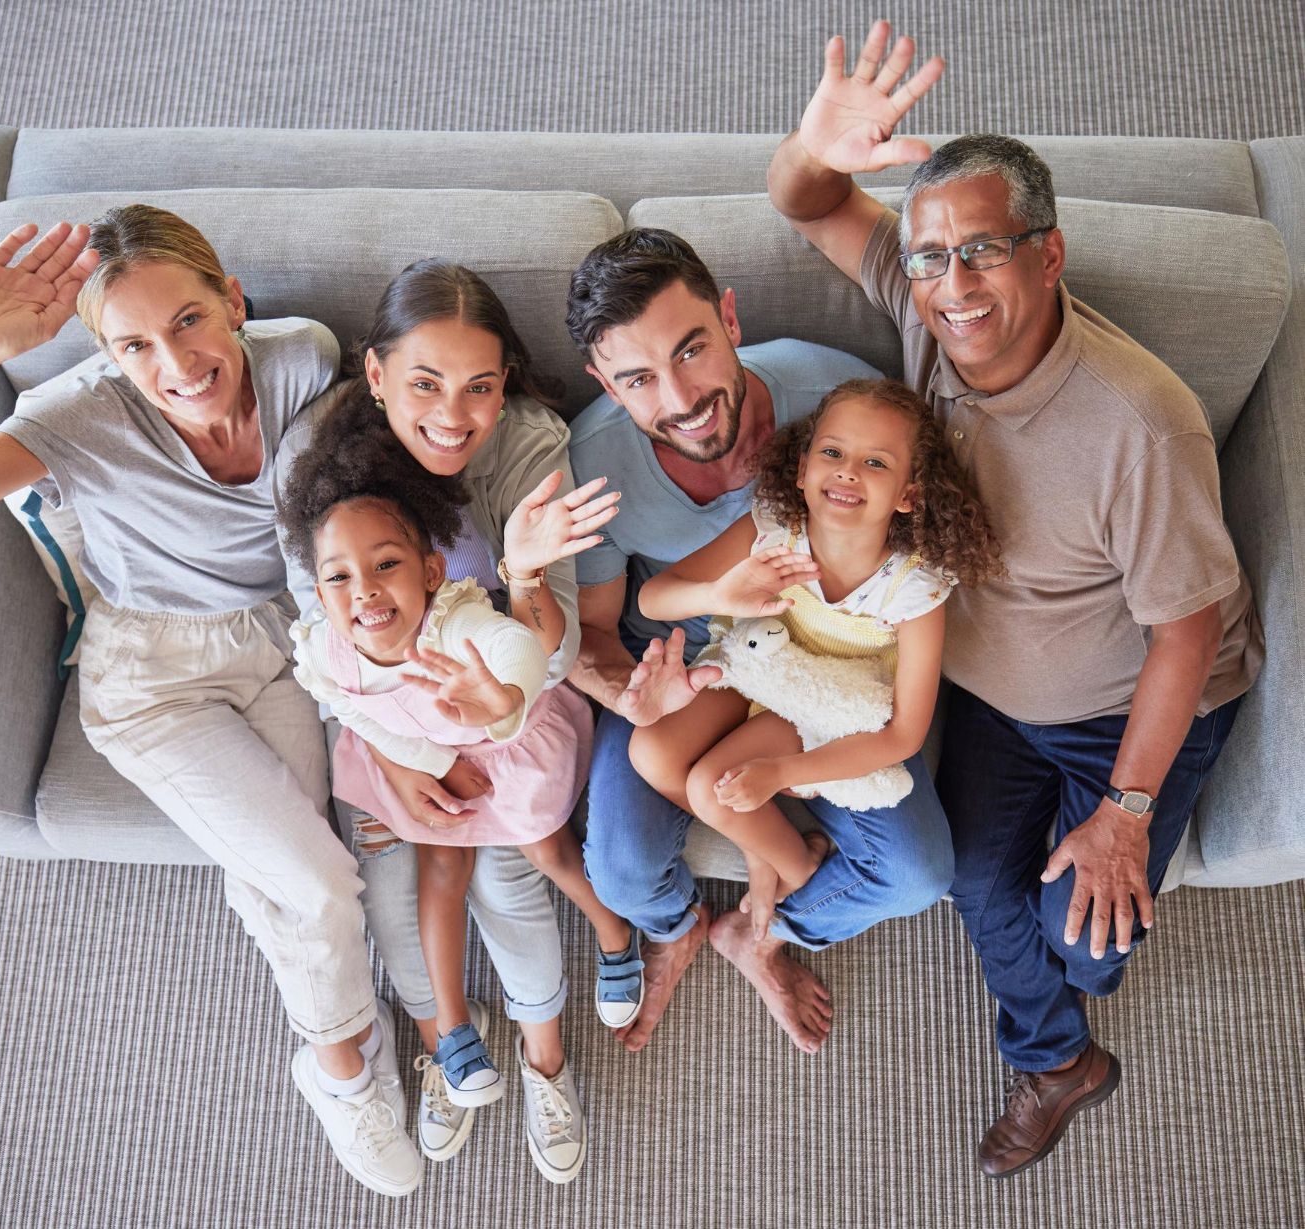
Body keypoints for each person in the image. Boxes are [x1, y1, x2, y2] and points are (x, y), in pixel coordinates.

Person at [0, 207, 427, 1196]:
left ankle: (337, 1023)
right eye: (135, 345)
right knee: (323, 881)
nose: (179, 363)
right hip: (154, 677)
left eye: (192, 320)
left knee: (285, 862)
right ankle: (342, 1071)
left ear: (233, 299)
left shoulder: (301, 360)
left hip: (277, 640)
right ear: (106, 354)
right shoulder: (78, 418)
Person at [766, 21, 1263, 1178]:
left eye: (982, 251)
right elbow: (806, 202)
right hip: (993, 694)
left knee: (1083, 942)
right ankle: (1059, 1063)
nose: (952, 285)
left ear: (1049, 255)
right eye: (932, 256)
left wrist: (1125, 812)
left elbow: (1188, 631)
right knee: (982, 888)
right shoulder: (926, 308)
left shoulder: (1139, 421)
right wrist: (815, 141)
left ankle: (1070, 1012)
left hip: (1132, 699)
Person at [273, 259, 634, 1177]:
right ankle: (445, 1047)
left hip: (507, 696)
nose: (452, 415)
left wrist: (518, 582)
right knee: (390, 883)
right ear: (377, 373)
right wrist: (399, 759)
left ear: (505, 383)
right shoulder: (318, 451)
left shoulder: (526, 447)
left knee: (507, 880)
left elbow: (548, 657)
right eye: (425, 383)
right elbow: (325, 621)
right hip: (384, 715)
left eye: (480, 386)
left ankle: (544, 1059)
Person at [564, 226, 886, 1055]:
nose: (678, 397)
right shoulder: (595, 461)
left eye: (691, 350)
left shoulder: (836, 398)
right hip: (679, 661)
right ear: (604, 382)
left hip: (816, 650)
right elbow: (596, 632)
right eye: (637, 378)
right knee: (623, 874)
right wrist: (632, 693)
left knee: (915, 875)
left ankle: (767, 928)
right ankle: (681, 926)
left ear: (730, 319)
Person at [628, 378, 998, 947]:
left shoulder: (913, 588)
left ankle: (781, 905)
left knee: (710, 787)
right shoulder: (776, 531)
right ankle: (782, 858)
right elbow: (654, 598)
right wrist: (720, 596)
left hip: (826, 699)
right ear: (802, 470)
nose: (848, 471)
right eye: (833, 453)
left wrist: (786, 773)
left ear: (909, 494)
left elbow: (903, 734)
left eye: (875, 462)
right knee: (649, 751)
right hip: (760, 664)